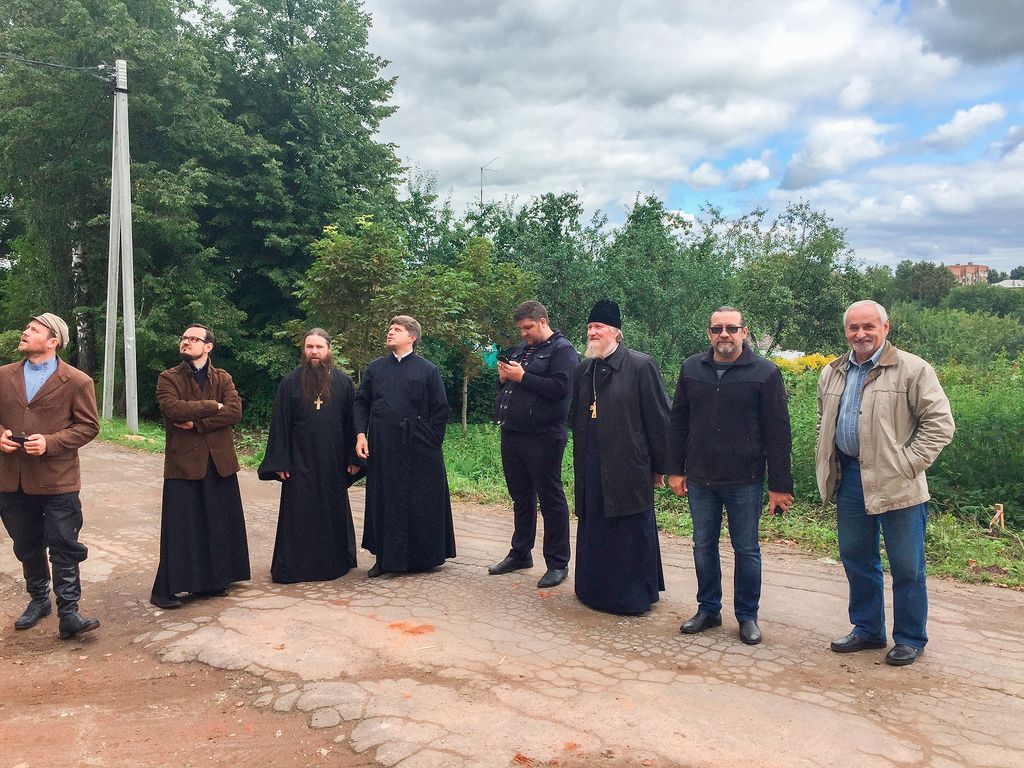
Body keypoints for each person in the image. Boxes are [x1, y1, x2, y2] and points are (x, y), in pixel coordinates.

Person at [817, 300, 954, 666]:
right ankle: (867, 629)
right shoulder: (833, 371)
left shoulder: (912, 369)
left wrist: (908, 464)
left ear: (885, 328)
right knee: (856, 558)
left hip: (900, 485)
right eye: (853, 328)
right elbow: (823, 421)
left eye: (868, 327)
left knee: (907, 566)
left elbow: (939, 424)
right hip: (850, 481)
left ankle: (909, 638)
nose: (860, 334)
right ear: (845, 331)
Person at [667, 307, 793, 645]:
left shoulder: (764, 373)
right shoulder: (692, 368)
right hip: (700, 478)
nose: (725, 334)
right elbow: (678, 421)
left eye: (731, 329)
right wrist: (675, 469)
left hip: (745, 479)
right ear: (709, 333)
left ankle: (747, 617)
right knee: (703, 545)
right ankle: (708, 609)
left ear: (744, 332)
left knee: (747, 549)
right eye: (718, 329)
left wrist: (780, 486)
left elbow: (778, 432)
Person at [0, 314, 101, 639]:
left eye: (33, 330)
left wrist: (50, 443)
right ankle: (39, 600)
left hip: (58, 479)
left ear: (53, 340)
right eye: (26, 327)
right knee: (27, 544)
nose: (25, 332)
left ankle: (69, 613)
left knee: (62, 543)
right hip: (12, 478)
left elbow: (88, 426)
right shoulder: (3, 376)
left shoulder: (76, 381)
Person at [570, 299, 670, 614]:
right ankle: (592, 591)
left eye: (598, 327)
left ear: (616, 332)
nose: (592, 333)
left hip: (629, 464)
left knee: (627, 528)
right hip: (591, 463)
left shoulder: (641, 365)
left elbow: (659, 419)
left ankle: (631, 598)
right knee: (595, 524)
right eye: (589, 328)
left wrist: (662, 466)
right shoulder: (584, 368)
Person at [150, 324, 250, 608]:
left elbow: (235, 411)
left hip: (219, 462)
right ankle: (168, 589)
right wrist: (213, 406)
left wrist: (197, 422)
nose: (186, 342)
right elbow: (174, 409)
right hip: (184, 463)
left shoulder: (223, 377)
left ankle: (213, 582)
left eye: (193, 339)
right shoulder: (168, 377)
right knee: (182, 527)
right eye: (183, 338)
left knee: (217, 524)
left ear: (208, 346)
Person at [353, 315, 456, 576]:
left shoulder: (428, 370)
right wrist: (360, 435)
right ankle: (384, 558)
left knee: (417, 500)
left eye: (396, 330)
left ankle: (420, 558)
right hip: (383, 446)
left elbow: (440, 409)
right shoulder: (375, 369)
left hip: (418, 449)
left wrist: (430, 441)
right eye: (389, 328)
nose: (390, 333)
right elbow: (361, 403)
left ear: (412, 337)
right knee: (384, 500)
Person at [489, 301, 578, 588]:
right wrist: (503, 379)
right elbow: (510, 388)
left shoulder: (563, 351)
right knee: (521, 497)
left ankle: (557, 563)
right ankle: (520, 553)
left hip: (543, 436)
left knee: (550, 499)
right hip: (513, 433)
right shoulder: (520, 349)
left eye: (528, 328)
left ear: (542, 321)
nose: (524, 333)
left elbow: (561, 390)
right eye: (521, 329)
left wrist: (523, 377)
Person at [258, 329, 358, 583]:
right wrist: (280, 461)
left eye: (319, 347)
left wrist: (353, 458)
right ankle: (295, 566)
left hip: (332, 460)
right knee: (299, 512)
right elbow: (279, 424)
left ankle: (334, 563)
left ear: (329, 350)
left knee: (331, 510)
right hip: (298, 460)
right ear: (303, 350)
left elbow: (352, 425)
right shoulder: (289, 382)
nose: (314, 352)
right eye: (309, 347)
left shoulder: (344, 383)